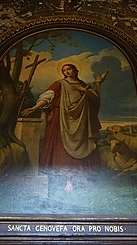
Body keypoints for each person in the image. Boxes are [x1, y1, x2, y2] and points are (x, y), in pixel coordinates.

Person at [21, 63, 106, 191]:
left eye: (69, 69)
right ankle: (66, 179)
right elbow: (47, 96)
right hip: (61, 119)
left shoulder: (82, 85)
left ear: (75, 70)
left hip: (81, 120)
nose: (67, 71)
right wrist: (34, 108)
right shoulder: (60, 84)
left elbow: (94, 99)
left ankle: (80, 177)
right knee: (60, 147)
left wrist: (92, 87)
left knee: (81, 145)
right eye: (64, 70)